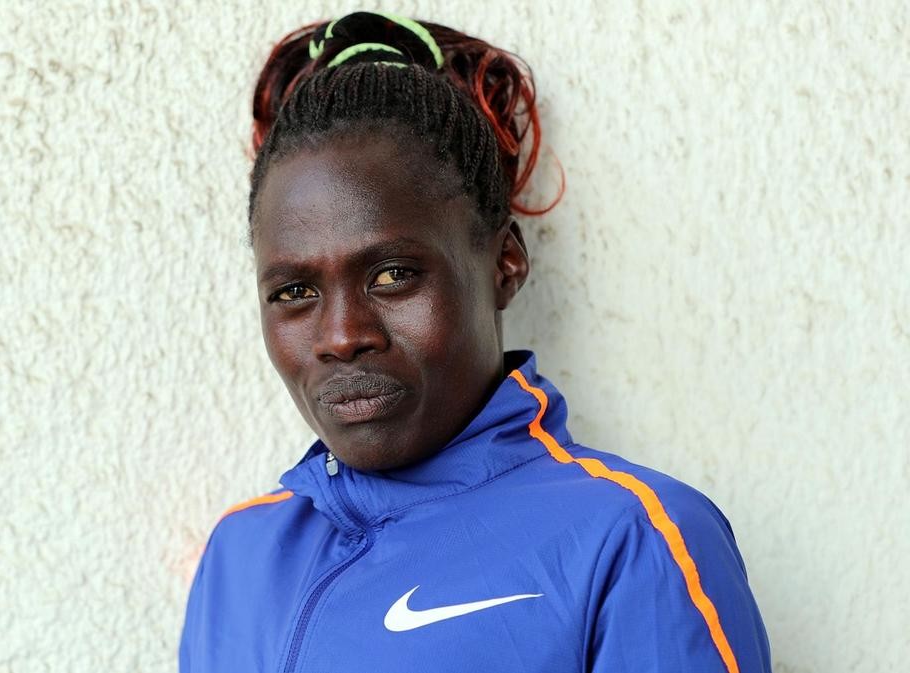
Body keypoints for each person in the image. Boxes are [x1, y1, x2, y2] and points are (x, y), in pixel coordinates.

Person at [180, 11, 771, 673]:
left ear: (505, 264)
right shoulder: (239, 556)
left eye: (393, 275)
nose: (342, 337)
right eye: (294, 291)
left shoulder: (632, 539)